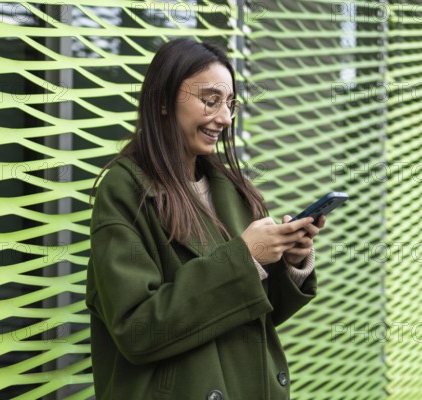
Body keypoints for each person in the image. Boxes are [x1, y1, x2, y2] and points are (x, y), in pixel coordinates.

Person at [86, 38, 326, 400]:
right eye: (210, 101)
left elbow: (254, 313)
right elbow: (136, 329)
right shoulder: (125, 191)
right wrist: (245, 259)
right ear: (164, 101)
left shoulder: (233, 190)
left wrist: (290, 262)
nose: (225, 118)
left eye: (229, 104)